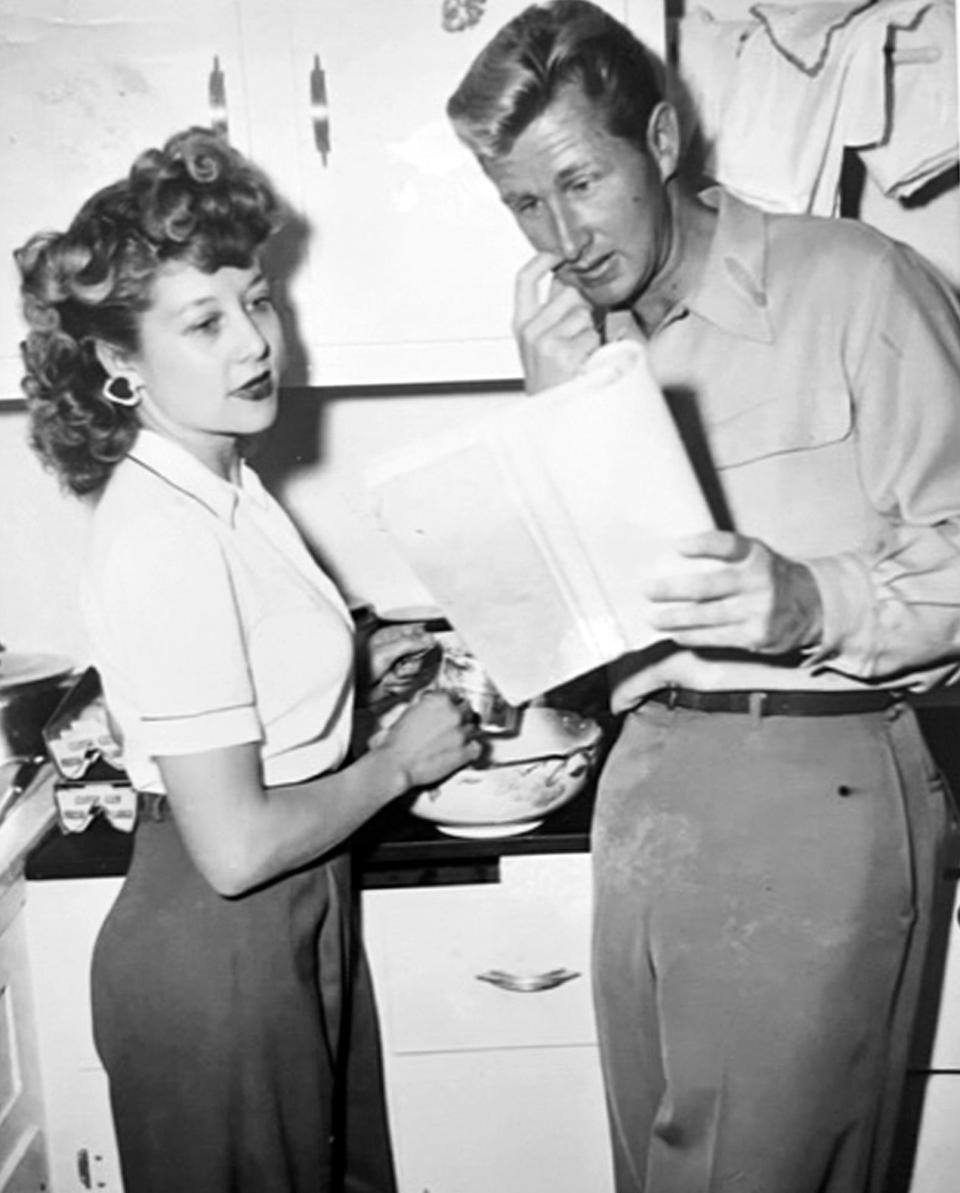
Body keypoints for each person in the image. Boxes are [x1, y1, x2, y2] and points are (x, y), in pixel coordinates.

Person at [447, 3, 960, 1191]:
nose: (561, 235)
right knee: (669, 1169)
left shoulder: (855, 284)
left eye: (580, 180)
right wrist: (554, 415)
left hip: (815, 781)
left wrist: (812, 601)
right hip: (646, 786)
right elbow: (566, 645)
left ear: (663, 141)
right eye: (524, 204)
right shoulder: (582, 346)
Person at [15, 126, 480, 1193]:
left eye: (257, 299)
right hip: (216, 951)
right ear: (119, 359)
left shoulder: (222, 480)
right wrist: (401, 761)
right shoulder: (161, 531)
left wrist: (354, 666)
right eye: (205, 320)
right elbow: (231, 846)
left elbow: (254, 686)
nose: (253, 342)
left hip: (286, 917)